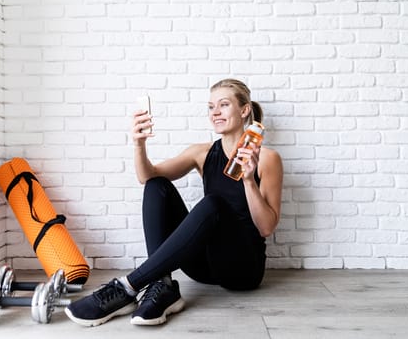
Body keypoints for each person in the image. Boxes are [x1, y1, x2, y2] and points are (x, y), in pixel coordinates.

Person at [65, 78, 283, 327]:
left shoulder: (268, 159)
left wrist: (248, 182)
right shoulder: (200, 153)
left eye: (223, 105)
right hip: (204, 267)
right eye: (211, 107)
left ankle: (128, 286)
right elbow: (147, 176)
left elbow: (266, 228)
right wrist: (139, 144)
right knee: (157, 185)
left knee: (213, 204)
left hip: (243, 270)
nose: (215, 113)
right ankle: (162, 286)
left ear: (244, 110)